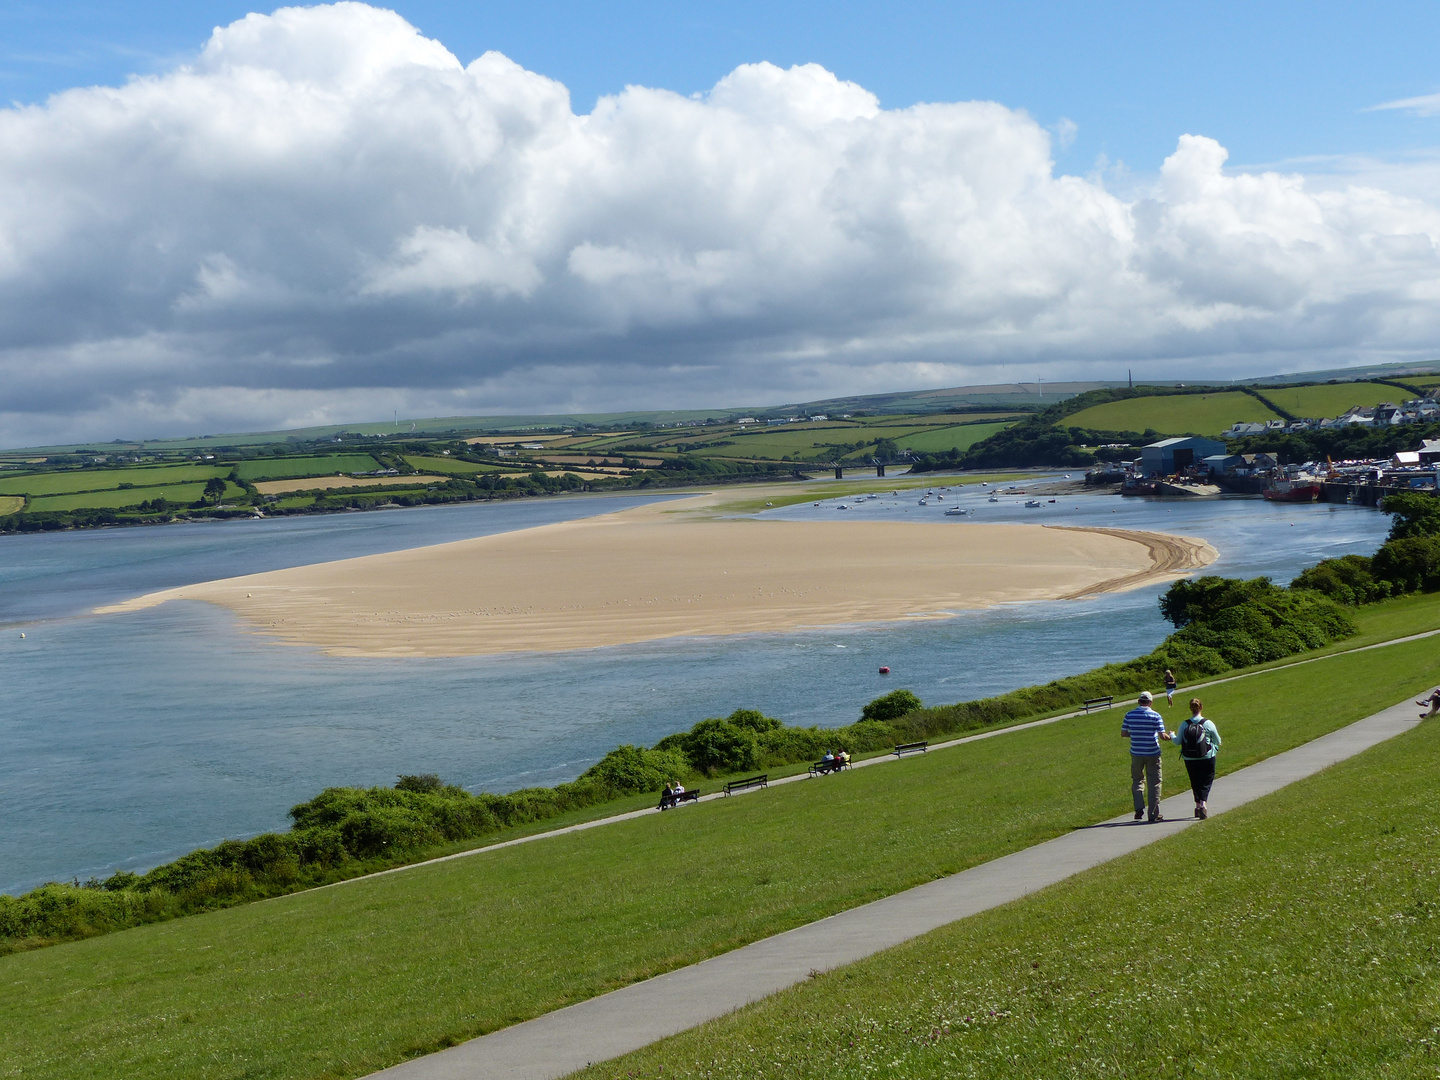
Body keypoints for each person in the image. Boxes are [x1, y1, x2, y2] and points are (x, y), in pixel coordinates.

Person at [1121, 690, 1171, 822]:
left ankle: (1138, 808)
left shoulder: (1129, 715)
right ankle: (1153, 813)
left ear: (1138, 701)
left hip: (1136, 753)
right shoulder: (1155, 715)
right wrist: (1171, 736)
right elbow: (1162, 736)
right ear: (1150, 702)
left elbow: (1124, 733)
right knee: (1154, 783)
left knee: (1137, 780)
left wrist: (1136, 734)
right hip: (1152, 752)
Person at [1175, 698, 1221, 819]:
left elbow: (1177, 741)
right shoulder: (1207, 723)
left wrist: (1171, 735)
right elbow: (1218, 740)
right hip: (1207, 756)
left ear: (1190, 709)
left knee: (1194, 781)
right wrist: (1215, 748)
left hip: (1189, 758)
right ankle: (1203, 805)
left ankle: (1197, 805)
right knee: (1206, 780)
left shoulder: (1185, 724)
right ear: (1201, 707)